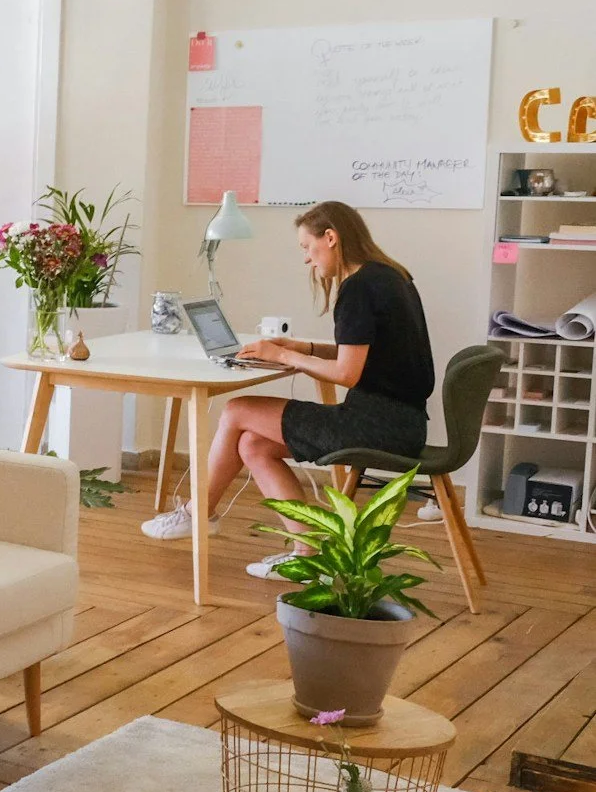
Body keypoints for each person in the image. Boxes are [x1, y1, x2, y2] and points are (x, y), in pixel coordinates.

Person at [140, 200, 433, 578]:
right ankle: (307, 552)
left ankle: (199, 514)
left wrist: (284, 356)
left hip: (376, 425)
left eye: (307, 248)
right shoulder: (391, 276)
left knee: (236, 410)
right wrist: (302, 348)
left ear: (331, 238)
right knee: (252, 444)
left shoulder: (358, 288)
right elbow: (362, 355)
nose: (307, 261)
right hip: (402, 421)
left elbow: (346, 374)